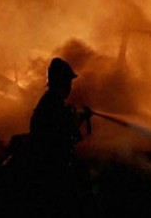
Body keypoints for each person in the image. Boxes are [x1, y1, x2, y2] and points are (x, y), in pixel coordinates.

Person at [27, 57, 92, 217]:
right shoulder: (52, 104)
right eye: (68, 81)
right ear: (62, 82)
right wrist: (81, 119)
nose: (70, 86)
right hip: (52, 169)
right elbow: (65, 132)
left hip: (48, 165)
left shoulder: (50, 101)